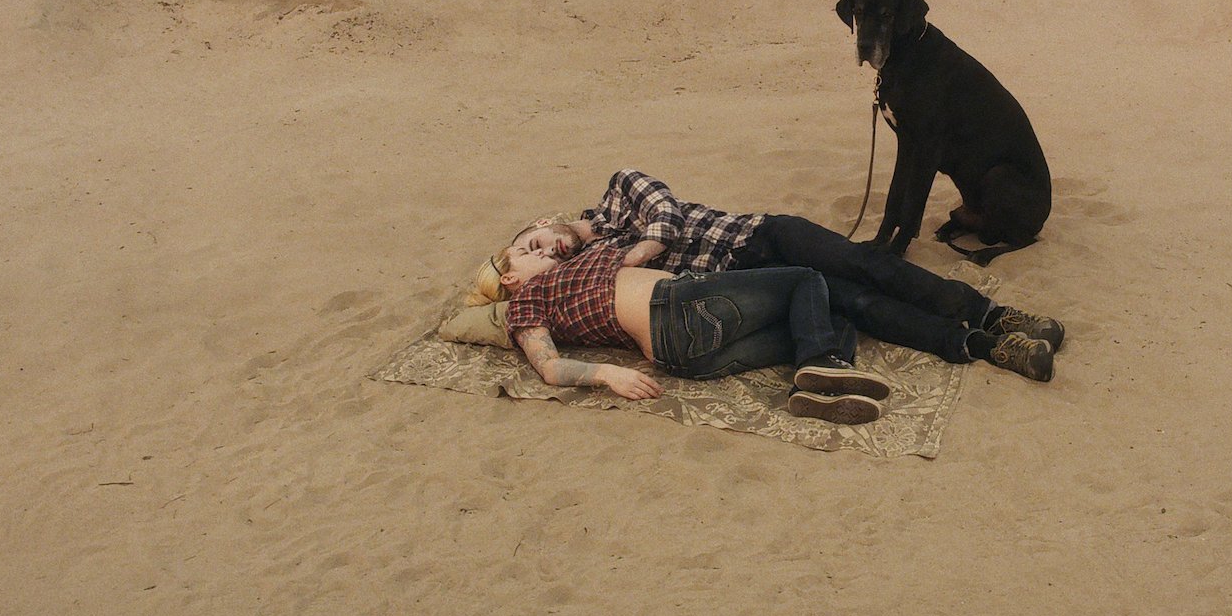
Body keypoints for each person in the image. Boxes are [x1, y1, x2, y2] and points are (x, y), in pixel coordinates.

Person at [520, 169, 1064, 381]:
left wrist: (640, 250)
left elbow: (665, 213)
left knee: (867, 265)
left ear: (545, 223)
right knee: (857, 306)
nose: (547, 251)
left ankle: (991, 311)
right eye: (538, 256)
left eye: (536, 242)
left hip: (761, 236)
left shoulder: (617, 195)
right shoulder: (585, 270)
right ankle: (983, 345)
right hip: (748, 279)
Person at [438, 232, 893, 424]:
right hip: (679, 307)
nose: (539, 252)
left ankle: (812, 391)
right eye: (524, 252)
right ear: (511, 277)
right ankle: (819, 363)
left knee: (827, 317)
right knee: (808, 279)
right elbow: (550, 368)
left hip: (688, 358)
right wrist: (607, 374)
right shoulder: (528, 301)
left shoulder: (574, 264)